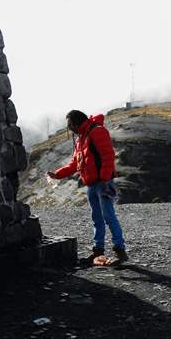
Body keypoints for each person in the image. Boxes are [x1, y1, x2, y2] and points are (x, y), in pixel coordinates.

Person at [47, 110, 128, 264]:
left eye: (70, 124)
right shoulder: (81, 138)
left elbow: (108, 156)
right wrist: (57, 174)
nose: (69, 127)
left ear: (78, 122)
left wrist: (104, 179)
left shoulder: (97, 131)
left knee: (108, 216)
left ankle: (120, 251)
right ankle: (98, 252)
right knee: (97, 218)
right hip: (91, 184)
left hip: (102, 183)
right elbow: (75, 164)